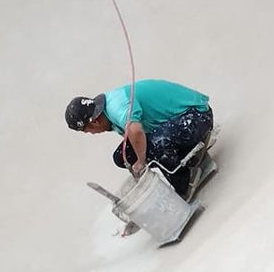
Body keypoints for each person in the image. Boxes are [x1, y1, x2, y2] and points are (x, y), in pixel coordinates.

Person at [66, 80, 214, 194]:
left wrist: (141, 161)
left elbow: (136, 132)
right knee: (122, 157)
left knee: (153, 144)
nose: (91, 134)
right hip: (174, 122)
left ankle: (186, 181)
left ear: (95, 122)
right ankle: (184, 160)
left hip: (196, 116)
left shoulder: (117, 107)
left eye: (87, 131)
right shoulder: (108, 115)